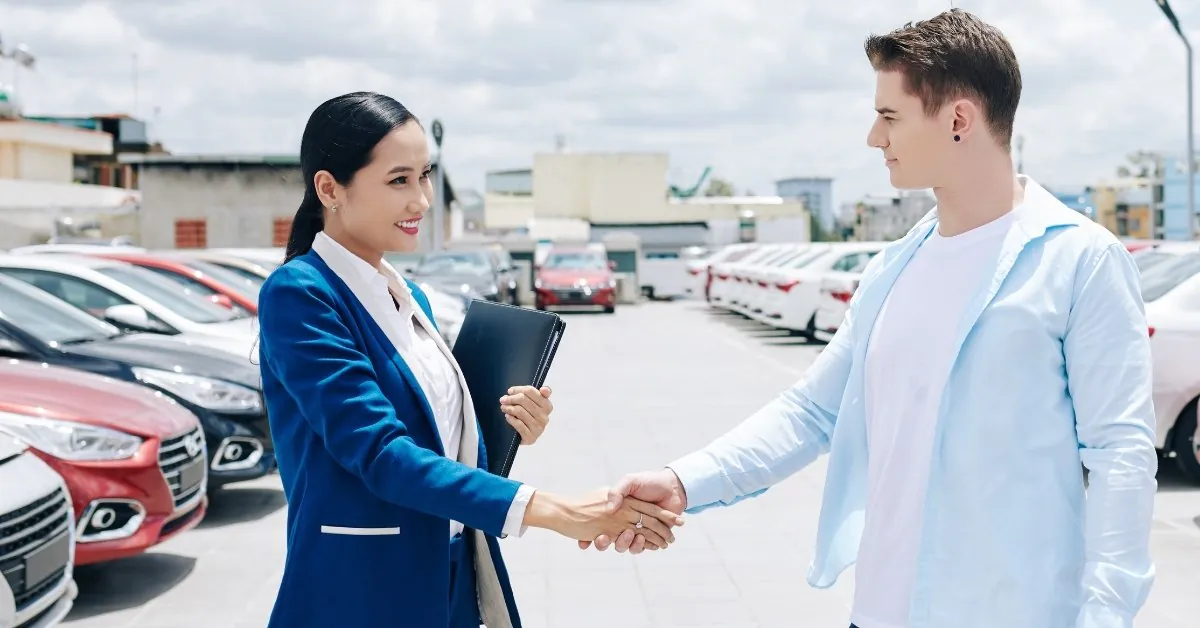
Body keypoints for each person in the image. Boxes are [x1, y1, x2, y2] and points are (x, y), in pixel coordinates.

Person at [589, 10, 1157, 628]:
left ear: (959, 119)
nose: (873, 137)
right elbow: (812, 410)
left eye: (889, 116)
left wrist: (1106, 617)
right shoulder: (894, 267)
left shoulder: (1081, 261)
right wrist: (683, 480)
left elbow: (1119, 455)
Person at [256, 92, 683, 628]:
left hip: (453, 580)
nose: (422, 200)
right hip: (363, 589)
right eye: (399, 180)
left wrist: (505, 427)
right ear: (329, 188)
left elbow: (439, 443)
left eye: (425, 175)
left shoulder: (411, 297)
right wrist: (559, 511)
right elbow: (380, 453)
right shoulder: (301, 294)